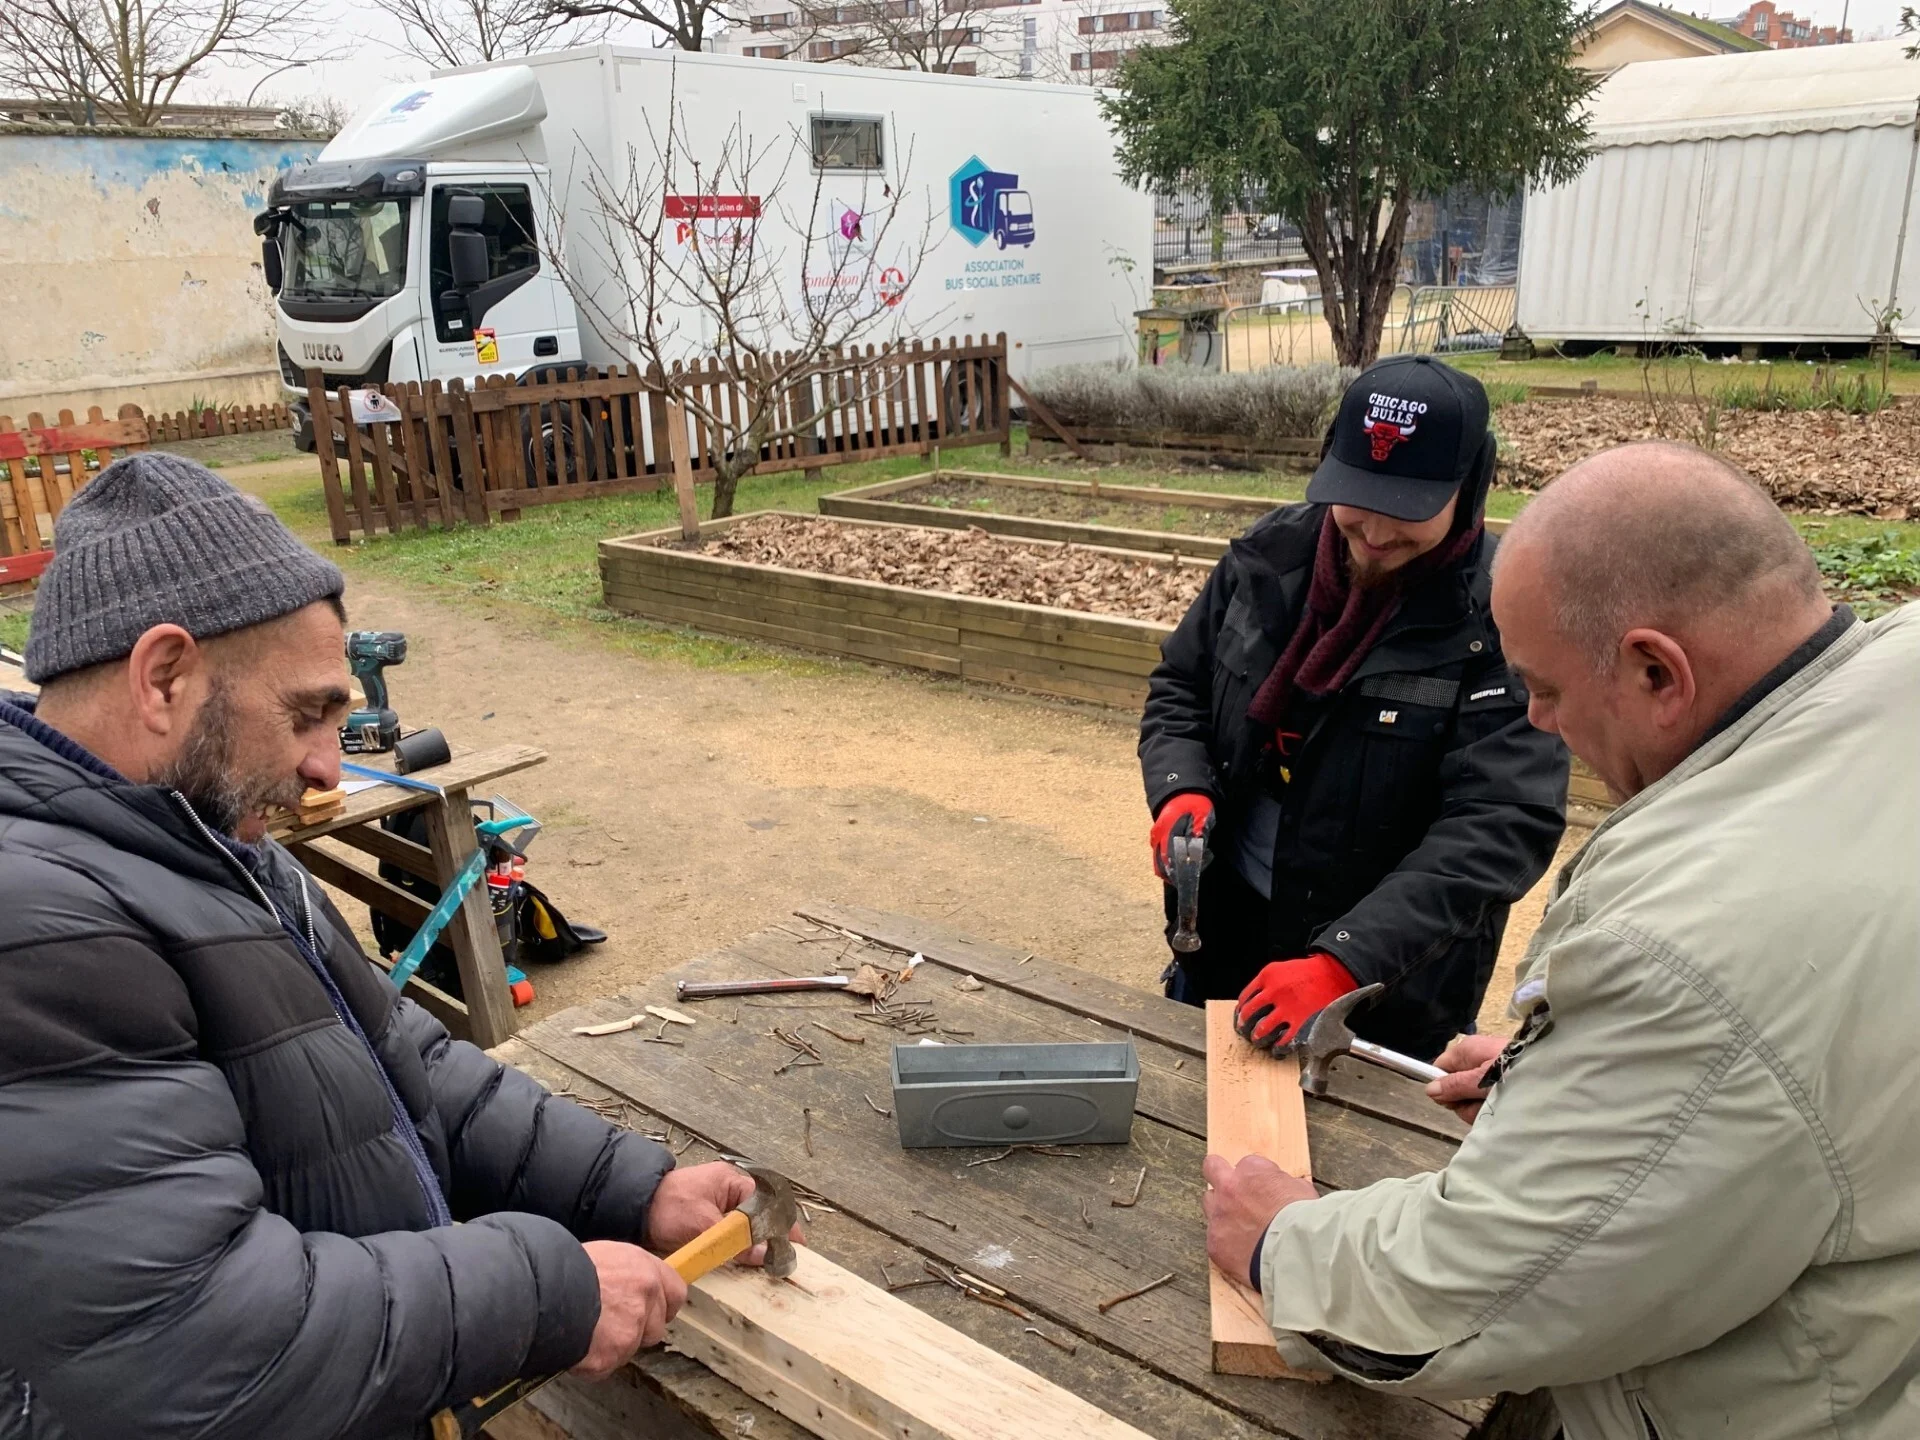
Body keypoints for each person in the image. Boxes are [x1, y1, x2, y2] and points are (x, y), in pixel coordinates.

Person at [0, 455, 789, 1439]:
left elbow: (398, 1064)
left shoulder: (208, 841)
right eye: (305, 714)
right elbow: (189, 1341)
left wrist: (630, 1190)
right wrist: (544, 1293)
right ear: (163, 677)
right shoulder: (38, 923)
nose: (329, 767)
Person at [1203, 441, 1920, 1439]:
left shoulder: (1695, 952)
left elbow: (1456, 1301)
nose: (1535, 721)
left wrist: (1283, 1245)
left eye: (1543, 687)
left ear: (1655, 669)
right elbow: (1819, 1050)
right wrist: (1600, 1069)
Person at [1139, 355, 1568, 1061]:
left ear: (1470, 486)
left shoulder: (1501, 618)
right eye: (1356, 493)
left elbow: (1501, 822)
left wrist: (1346, 960)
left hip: (1385, 991)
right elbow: (1179, 687)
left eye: (1407, 508)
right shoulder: (1265, 559)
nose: (1372, 530)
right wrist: (1181, 786)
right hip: (1228, 932)